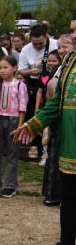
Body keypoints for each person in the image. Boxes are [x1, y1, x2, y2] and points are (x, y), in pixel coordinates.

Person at [13, 44, 76, 245]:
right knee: (68, 196)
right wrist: (33, 124)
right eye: (72, 30)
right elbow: (56, 103)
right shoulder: (69, 62)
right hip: (69, 146)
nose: (74, 35)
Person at [0, 56, 27, 198]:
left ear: (14, 68)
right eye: (1, 68)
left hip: (13, 121)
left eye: (6, 67)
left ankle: (10, 185)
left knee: (12, 154)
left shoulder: (20, 85)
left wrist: (20, 127)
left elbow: (22, 109)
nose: (2, 70)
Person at [42, 35, 75, 206]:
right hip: (58, 123)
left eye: (65, 46)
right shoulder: (63, 66)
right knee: (54, 158)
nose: (61, 50)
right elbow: (52, 95)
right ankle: (53, 193)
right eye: (60, 47)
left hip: (69, 125)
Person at [18, 25, 59, 160]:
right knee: (34, 112)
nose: (38, 46)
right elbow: (21, 71)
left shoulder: (56, 44)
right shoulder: (26, 49)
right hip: (35, 83)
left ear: (46, 36)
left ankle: (49, 146)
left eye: (41, 43)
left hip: (54, 80)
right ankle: (34, 145)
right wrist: (30, 72)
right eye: (34, 44)